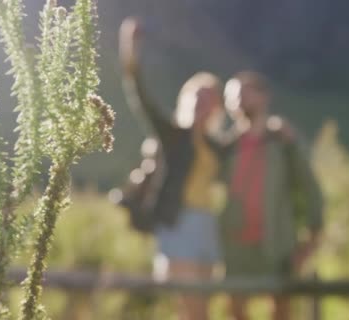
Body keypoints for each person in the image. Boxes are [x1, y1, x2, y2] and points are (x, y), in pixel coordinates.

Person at [119, 17, 225, 320]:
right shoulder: (172, 135)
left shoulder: (217, 144)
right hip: (177, 222)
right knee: (191, 305)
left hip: (207, 224)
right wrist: (131, 48)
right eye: (196, 96)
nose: (201, 103)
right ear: (186, 99)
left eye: (207, 98)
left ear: (216, 107)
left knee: (200, 307)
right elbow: (140, 96)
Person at [216, 71, 324, 320]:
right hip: (235, 247)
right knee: (236, 309)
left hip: (277, 243)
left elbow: (310, 189)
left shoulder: (284, 143)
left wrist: (311, 240)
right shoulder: (226, 148)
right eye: (231, 96)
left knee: (282, 310)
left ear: (264, 97)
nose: (237, 100)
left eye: (243, 93)